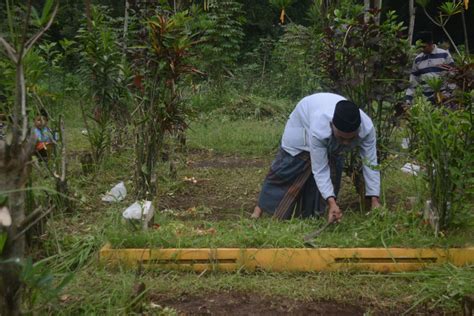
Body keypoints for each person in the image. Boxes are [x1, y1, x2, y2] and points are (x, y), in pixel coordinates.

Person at [251, 92, 381, 223]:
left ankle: (317, 214)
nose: (346, 143)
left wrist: (374, 199)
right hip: (301, 127)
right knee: (287, 170)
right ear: (331, 126)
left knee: (333, 169)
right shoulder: (319, 129)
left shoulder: (367, 128)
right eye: (341, 138)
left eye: (351, 138)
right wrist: (331, 202)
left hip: (323, 128)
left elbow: (371, 164)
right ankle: (257, 213)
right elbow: (320, 170)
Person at [405, 31, 455, 107]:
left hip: (445, 98)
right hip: (427, 101)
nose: (422, 49)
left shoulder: (444, 54)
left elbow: (454, 75)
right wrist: (408, 100)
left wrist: (449, 93)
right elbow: (413, 82)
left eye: (424, 47)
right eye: (420, 47)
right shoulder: (418, 59)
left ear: (431, 43)